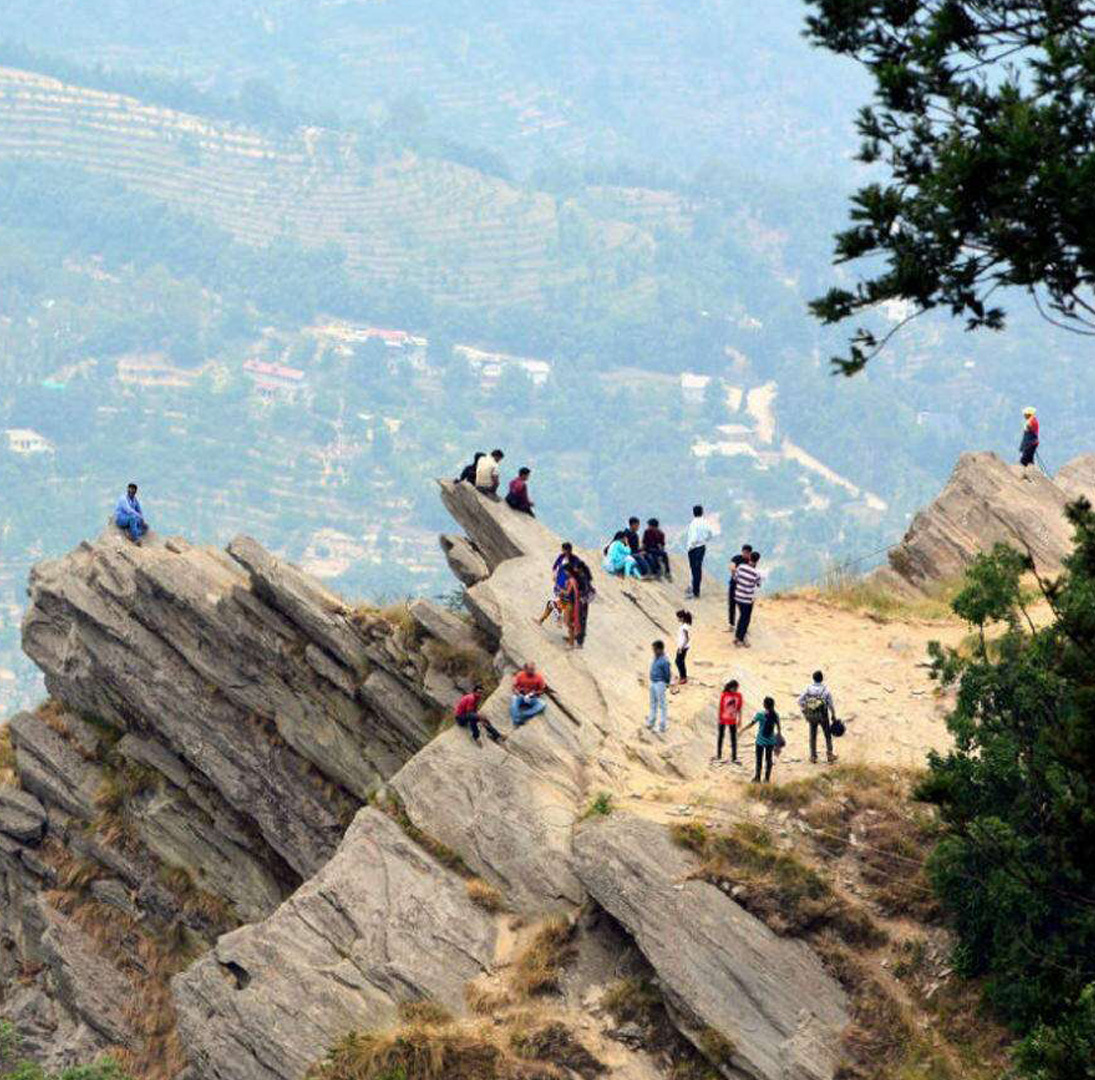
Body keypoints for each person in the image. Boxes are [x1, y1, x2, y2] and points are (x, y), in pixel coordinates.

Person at [799, 670, 838, 764]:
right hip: (823, 714)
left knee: (812, 735)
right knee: (827, 735)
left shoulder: (808, 688)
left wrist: (807, 707)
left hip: (812, 714)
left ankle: (813, 756)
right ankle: (830, 755)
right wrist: (833, 715)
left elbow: (800, 700)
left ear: (813, 678)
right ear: (822, 678)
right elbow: (830, 705)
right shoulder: (826, 690)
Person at [743, 696, 781, 783]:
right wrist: (777, 739)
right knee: (769, 760)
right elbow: (779, 728)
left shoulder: (760, 714)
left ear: (765, 705)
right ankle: (767, 779)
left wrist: (743, 730)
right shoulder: (776, 715)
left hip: (760, 741)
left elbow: (751, 724)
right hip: (770, 741)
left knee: (759, 760)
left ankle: (757, 778)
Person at [733, 551, 763, 648]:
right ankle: (740, 639)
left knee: (742, 617)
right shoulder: (756, 573)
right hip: (747, 599)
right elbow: (758, 584)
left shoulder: (741, 567)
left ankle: (738, 637)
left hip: (738, 596)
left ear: (749, 558)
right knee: (745, 619)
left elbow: (735, 578)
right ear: (757, 561)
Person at [685, 505, 714, 598]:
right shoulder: (705, 522)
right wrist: (704, 540)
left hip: (694, 548)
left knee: (694, 569)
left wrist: (690, 546)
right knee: (698, 568)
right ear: (702, 512)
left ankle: (695, 591)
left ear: (693, 513)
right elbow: (710, 534)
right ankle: (696, 590)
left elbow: (693, 537)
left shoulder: (693, 523)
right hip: (702, 547)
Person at [646, 640, 671, 735]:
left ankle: (662, 726)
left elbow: (667, 673)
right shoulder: (655, 658)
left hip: (660, 683)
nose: (654, 651)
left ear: (660, 649)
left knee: (662, 705)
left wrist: (666, 683)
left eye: (655, 649)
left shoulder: (664, 660)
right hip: (653, 682)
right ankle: (651, 722)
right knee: (653, 703)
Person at [510, 662, 548, 726]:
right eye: (531, 669)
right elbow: (513, 686)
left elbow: (542, 690)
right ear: (525, 669)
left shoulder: (539, 678)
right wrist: (516, 691)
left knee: (542, 704)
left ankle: (523, 715)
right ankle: (516, 720)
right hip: (520, 695)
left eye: (533, 669)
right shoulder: (520, 675)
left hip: (531, 698)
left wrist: (533, 693)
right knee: (513, 703)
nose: (533, 671)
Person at [715, 679, 743, 764]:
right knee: (720, 737)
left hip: (733, 720)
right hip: (723, 719)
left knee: (733, 738)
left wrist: (740, 720)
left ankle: (734, 757)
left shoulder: (738, 696)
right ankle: (719, 754)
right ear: (730, 687)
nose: (735, 690)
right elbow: (721, 707)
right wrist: (719, 718)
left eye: (736, 688)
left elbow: (739, 708)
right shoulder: (724, 695)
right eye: (734, 688)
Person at [727, 544, 754, 628]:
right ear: (742, 551)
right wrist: (737, 574)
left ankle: (742, 625)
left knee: (743, 607)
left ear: (750, 553)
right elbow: (732, 567)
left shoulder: (750, 561)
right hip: (734, 584)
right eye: (744, 552)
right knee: (732, 604)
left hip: (744, 587)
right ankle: (731, 624)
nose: (745, 554)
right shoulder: (736, 558)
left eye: (747, 553)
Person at [558, 565, 583, 648]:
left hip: (571, 604)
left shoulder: (571, 580)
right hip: (573, 603)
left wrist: (560, 589)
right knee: (569, 621)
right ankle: (570, 639)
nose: (565, 573)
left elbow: (567, 593)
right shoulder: (574, 580)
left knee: (568, 622)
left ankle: (571, 643)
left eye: (566, 571)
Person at [1019, 406, 1040, 477]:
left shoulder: (1032, 421)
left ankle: (1025, 474)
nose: (1024, 416)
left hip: (1031, 443)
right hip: (1031, 442)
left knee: (1024, 459)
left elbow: (1030, 428)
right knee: (1029, 459)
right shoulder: (1032, 420)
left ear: (1028, 414)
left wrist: (1028, 427)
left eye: (1025, 414)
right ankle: (1030, 473)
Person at [674, 609, 693, 686]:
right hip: (683, 646)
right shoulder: (684, 626)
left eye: (678, 617)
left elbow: (686, 638)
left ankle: (683, 677)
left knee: (679, 661)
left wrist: (681, 648)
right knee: (680, 661)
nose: (677, 619)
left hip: (683, 647)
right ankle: (683, 676)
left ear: (682, 618)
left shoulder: (684, 627)